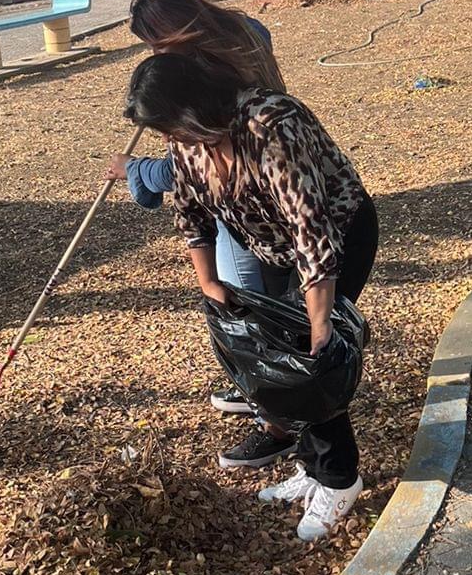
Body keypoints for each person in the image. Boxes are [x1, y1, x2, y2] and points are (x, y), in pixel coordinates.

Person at [124, 54, 378, 540]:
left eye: (170, 126)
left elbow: (311, 228)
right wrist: (209, 282)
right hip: (274, 248)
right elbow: (190, 214)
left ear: (193, 105)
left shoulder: (271, 124)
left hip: (337, 235)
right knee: (280, 356)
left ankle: (340, 479)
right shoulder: (187, 142)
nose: (169, 139)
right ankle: (312, 468)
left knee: (312, 358)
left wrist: (320, 320)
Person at [107, 0, 283, 441]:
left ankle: (273, 415)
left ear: (175, 32)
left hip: (242, 205)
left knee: (244, 305)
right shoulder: (245, 30)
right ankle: (259, 390)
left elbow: (191, 168)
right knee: (249, 301)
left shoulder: (207, 73)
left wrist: (136, 169)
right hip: (254, 197)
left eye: (156, 43)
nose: (155, 53)